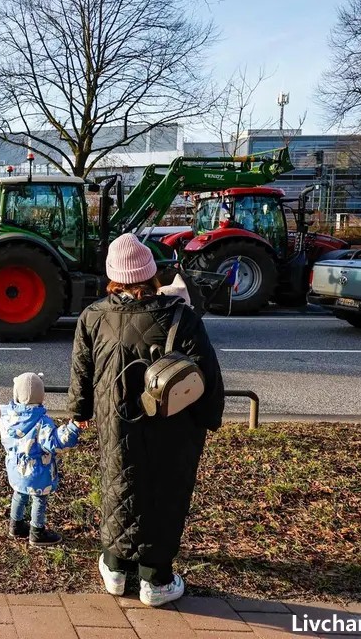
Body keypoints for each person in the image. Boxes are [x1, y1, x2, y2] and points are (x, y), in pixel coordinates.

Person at [68, 233, 224, 607]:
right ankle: (156, 579)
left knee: (119, 484)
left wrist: (80, 412)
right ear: (152, 274)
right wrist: (209, 419)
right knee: (166, 490)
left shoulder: (94, 316)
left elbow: (81, 371)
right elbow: (207, 375)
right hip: (173, 423)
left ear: (113, 276)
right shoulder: (180, 316)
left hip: (115, 420)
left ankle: (116, 568)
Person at [0, 372, 82, 547]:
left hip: (15, 468)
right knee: (39, 499)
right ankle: (37, 532)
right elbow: (56, 443)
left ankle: (15, 525)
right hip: (37, 471)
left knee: (19, 493)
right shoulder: (42, 422)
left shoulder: (8, 417)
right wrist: (73, 428)